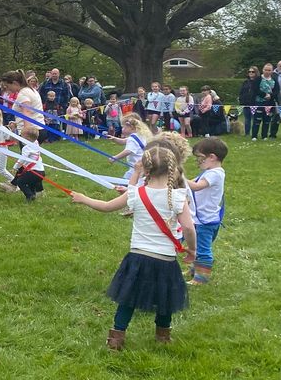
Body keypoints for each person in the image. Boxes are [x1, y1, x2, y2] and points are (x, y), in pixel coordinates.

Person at [70, 146, 196, 350]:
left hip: (138, 256)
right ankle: (163, 336)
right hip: (166, 258)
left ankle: (116, 337)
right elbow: (189, 228)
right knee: (165, 297)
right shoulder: (179, 196)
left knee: (128, 298)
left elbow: (106, 206)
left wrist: (83, 198)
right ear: (172, 169)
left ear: (145, 170)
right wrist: (192, 250)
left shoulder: (135, 193)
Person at [187, 138, 227, 286]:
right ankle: (195, 269)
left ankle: (201, 278)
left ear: (212, 157)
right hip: (204, 219)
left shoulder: (214, 174)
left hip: (206, 221)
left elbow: (196, 187)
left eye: (200, 158)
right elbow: (192, 184)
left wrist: (179, 177)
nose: (198, 161)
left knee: (203, 249)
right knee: (196, 246)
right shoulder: (209, 172)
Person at [9, 121, 45, 201]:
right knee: (31, 183)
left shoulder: (26, 148)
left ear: (27, 138)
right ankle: (33, 196)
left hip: (34, 172)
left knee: (20, 182)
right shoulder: (36, 143)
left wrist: (15, 167)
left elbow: (23, 159)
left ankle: (29, 195)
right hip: (41, 171)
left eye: (22, 136)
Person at [111, 113, 152, 182]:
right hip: (144, 165)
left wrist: (115, 157)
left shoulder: (132, 139)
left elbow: (128, 151)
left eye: (124, 127)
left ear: (132, 128)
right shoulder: (139, 135)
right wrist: (114, 139)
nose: (122, 129)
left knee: (124, 184)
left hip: (136, 167)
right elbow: (123, 141)